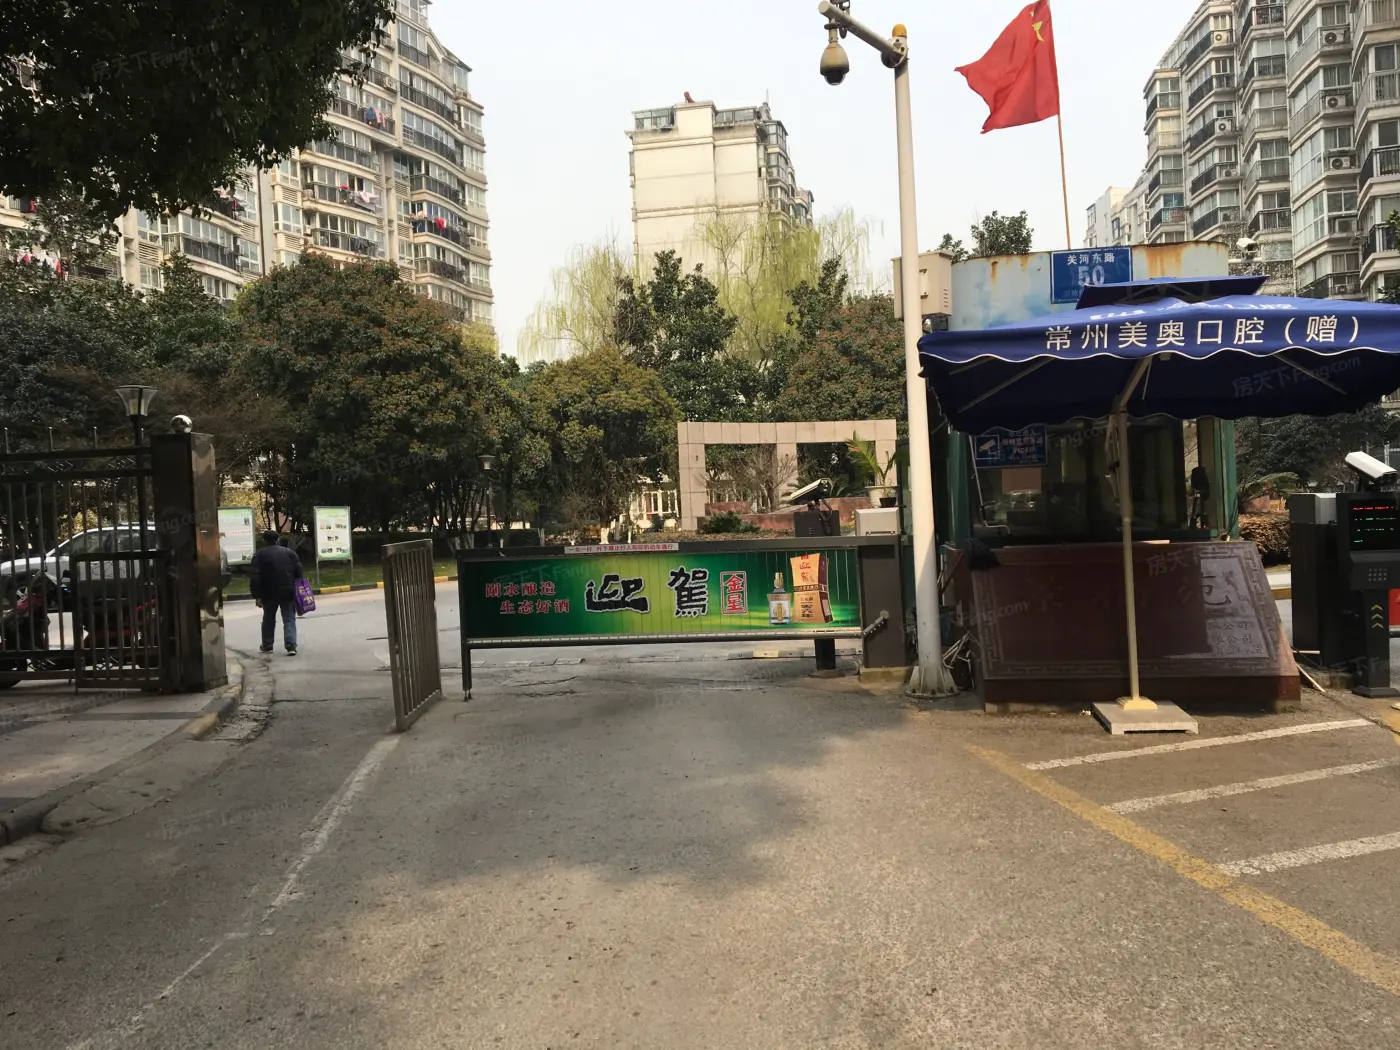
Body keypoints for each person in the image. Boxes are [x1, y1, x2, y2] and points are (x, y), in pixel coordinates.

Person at [249, 531, 303, 655]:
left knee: (268, 618)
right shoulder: (289, 552)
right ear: (277, 539)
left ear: (264, 541)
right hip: (288, 590)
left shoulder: (259, 555)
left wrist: (257, 595)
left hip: (268, 592)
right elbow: (299, 571)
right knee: (289, 618)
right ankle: (291, 645)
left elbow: (255, 577)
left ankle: (267, 645)